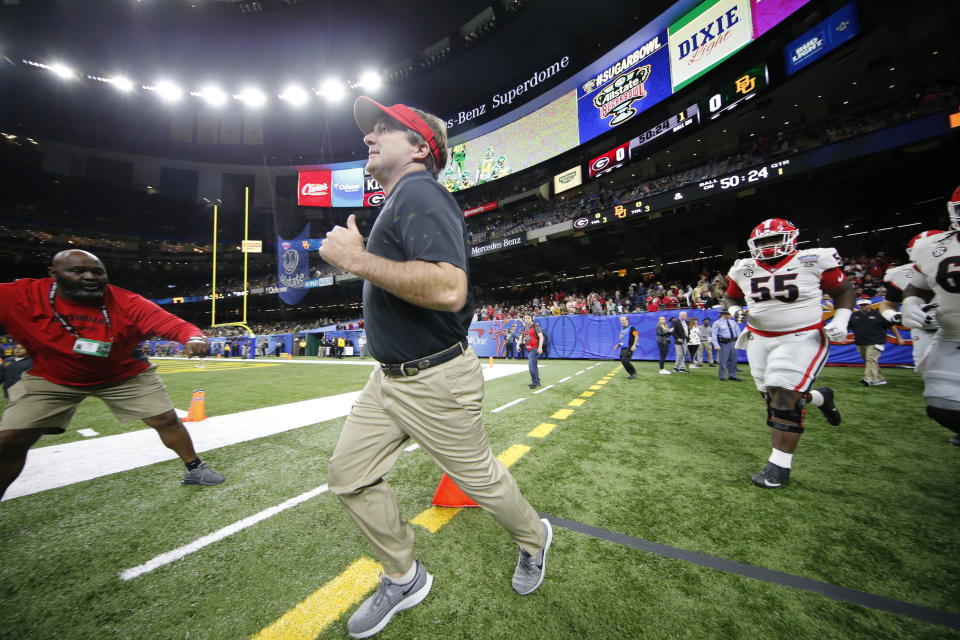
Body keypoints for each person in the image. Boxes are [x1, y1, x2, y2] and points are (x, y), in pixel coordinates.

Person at [319, 97, 551, 639]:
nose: (368, 139)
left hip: (434, 379)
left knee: (482, 482)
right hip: (390, 379)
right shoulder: (402, 200)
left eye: (383, 131)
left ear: (421, 147)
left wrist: (354, 260)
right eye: (369, 132)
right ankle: (404, 576)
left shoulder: (422, 192)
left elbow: (449, 289)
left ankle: (535, 537)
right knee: (348, 475)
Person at [0, 250, 224, 499]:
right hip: (52, 375)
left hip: (123, 372)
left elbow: (174, 324)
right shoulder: (18, 295)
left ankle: (194, 467)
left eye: (97, 271)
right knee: (11, 438)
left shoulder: (126, 301)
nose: (90, 277)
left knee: (165, 419)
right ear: (53, 274)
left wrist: (192, 337)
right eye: (77, 271)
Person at [724, 218, 851, 489]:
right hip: (759, 338)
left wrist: (841, 319)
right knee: (773, 397)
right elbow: (731, 296)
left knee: (783, 395)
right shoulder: (743, 268)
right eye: (762, 242)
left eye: (773, 240)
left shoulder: (813, 259)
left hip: (801, 336)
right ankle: (820, 398)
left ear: (792, 239)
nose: (768, 246)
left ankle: (778, 467)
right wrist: (735, 310)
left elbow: (843, 290)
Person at [900, 186, 960, 447]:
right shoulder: (932, 246)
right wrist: (911, 301)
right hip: (954, 333)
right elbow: (917, 285)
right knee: (942, 403)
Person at [879, 229, 943, 369]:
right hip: (924, 331)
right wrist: (895, 316)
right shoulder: (904, 273)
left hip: (954, 328)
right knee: (929, 373)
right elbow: (887, 304)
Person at [848, 299, 903, 386]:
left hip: (876, 341)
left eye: (865, 304)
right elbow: (848, 327)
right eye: (862, 305)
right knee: (869, 361)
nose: (864, 306)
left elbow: (891, 326)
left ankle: (868, 379)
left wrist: (899, 337)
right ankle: (879, 379)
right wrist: (843, 336)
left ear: (870, 305)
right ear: (859, 306)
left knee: (871, 359)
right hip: (860, 342)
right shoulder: (854, 315)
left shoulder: (879, 314)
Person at [712, 309, 744, 382]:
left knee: (734, 360)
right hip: (724, 343)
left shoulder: (733, 322)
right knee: (723, 360)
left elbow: (738, 332)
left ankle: (732, 375)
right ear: (724, 314)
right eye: (729, 314)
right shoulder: (717, 323)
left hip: (733, 342)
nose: (730, 315)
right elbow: (714, 335)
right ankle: (722, 376)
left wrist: (739, 342)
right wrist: (716, 344)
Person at [523, 314, 544, 389]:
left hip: (534, 349)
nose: (527, 319)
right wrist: (518, 344)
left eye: (528, 318)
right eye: (525, 318)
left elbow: (541, 337)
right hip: (529, 349)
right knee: (534, 366)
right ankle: (537, 382)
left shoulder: (536, 326)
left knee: (531, 366)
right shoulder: (525, 328)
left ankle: (535, 383)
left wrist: (540, 347)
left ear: (532, 319)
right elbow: (522, 337)